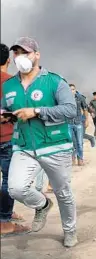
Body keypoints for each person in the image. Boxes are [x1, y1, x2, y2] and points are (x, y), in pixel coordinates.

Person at [0, 37, 77, 247]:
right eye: (16, 53)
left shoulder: (54, 81)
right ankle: (42, 204)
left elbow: (70, 110)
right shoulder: (9, 86)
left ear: (37, 55)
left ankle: (70, 231)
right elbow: (4, 107)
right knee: (15, 188)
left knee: (63, 192)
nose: (20, 57)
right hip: (24, 146)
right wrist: (5, 115)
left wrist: (36, 111)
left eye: (25, 53)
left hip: (55, 146)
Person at [0, 43, 31, 236]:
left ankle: (7, 212)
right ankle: (4, 222)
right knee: (7, 180)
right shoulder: (11, 83)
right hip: (6, 138)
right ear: (8, 60)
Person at [69, 84, 89, 166]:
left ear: (75, 90)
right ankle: (72, 158)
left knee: (80, 142)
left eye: (73, 89)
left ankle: (80, 159)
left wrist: (86, 120)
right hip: (68, 123)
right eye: (69, 89)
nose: (71, 91)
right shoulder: (64, 98)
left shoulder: (80, 98)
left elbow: (85, 109)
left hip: (78, 122)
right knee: (71, 142)